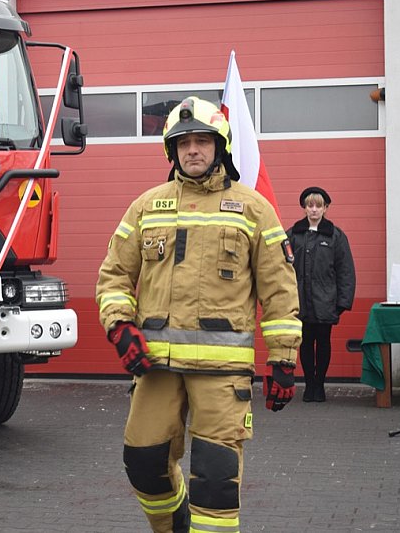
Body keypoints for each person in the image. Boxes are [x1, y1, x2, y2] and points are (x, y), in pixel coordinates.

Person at [95, 96, 302, 533]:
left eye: (202, 141)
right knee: (143, 465)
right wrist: (120, 326)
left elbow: (280, 289)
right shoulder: (146, 206)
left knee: (215, 480)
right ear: (171, 151)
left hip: (222, 376)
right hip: (155, 368)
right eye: (183, 142)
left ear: (219, 147)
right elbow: (113, 275)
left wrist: (283, 359)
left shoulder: (253, 209)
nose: (192, 149)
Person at [287, 187, 356, 403]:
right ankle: (309, 385)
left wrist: (342, 303)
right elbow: (282, 267)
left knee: (323, 342)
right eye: (310, 205)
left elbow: (346, 270)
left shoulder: (335, 236)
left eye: (318, 205)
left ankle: (320, 385)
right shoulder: (294, 234)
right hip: (300, 301)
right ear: (304, 208)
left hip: (326, 301)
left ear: (326, 208)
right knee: (305, 343)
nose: (314, 209)